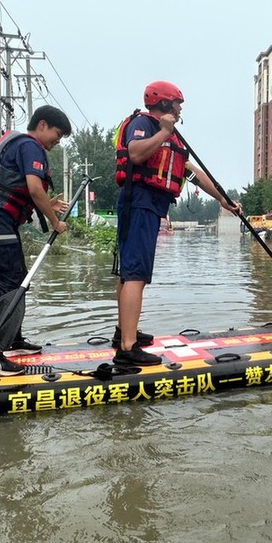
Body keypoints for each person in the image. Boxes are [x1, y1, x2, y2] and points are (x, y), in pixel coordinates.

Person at [112, 80, 242, 366]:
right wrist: (165, 131)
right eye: (178, 103)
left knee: (133, 272)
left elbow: (191, 172)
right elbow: (135, 153)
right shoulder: (144, 124)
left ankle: (125, 332)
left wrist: (223, 199)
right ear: (164, 104)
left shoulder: (169, 137)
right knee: (135, 274)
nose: (181, 108)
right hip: (139, 202)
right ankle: (127, 348)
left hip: (149, 205)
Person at [0, 105, 72, 376]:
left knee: (10, 278)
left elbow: (27, 193)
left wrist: (49, 204)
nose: (56, 142)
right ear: (43, 125)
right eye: (57, 135)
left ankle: (11, 340)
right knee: (12, 281)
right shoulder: (30, 145)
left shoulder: (22, 146)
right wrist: (55, 222)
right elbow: (34, 189)